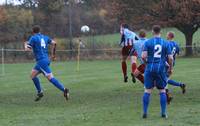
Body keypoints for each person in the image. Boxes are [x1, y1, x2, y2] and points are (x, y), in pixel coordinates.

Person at [24, 25, 69, 101]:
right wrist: (53, 55)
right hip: (45, 60)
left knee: (50, 78)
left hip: (41, 61)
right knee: (32, 75)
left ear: (33, 32)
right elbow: (54, 43)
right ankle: (40, 92)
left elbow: (27, 49)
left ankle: (64, 90)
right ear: (39, 31)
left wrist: (25, 44)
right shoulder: (45, 37)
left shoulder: (33, 38)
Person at [142, 25, 173, 118]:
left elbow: (143, 56)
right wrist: (170, 68)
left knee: (147, 90)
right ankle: (163, 113)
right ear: (161, 32)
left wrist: (146, 64)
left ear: (152, 32)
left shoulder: (148, 42)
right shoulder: (166, 43)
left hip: (149, 68)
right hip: (161, 69)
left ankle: (145, 113)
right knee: (162, 90)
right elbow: (170, 58)